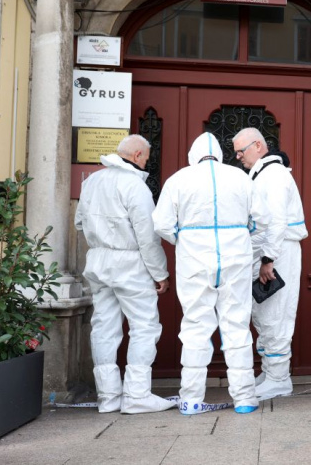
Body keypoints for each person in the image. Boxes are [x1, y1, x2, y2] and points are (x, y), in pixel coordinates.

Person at [152, 132, 270, 415]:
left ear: (193, 155)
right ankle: (244, 399)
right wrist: (243, 236)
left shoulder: (179, 179)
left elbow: (161, 224)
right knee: (237, 326)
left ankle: (191, 400)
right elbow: (262, 220)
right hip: (235, 259)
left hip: (194, 260)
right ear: (219, 153)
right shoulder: (240, 178)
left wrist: (182, 238)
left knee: (194, 327)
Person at [74, 134, 175, 414]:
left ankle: (108, 397)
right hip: (129, 263)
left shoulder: (92, 180)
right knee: (144, 326)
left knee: (104, 327)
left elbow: (79, 222)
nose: (147, 163)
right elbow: (147, 237)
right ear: (137, 155)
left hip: (98, 260)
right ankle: (137, 395)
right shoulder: (135, 186)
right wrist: (160, 273)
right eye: (146, 158)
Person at [232, 128, 309, 399]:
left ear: (258, 146)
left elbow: (277, 222)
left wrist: (268, 259)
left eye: (242, 150)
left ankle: (279, 378)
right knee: (264, 315)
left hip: (278, 252)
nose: (238, 156)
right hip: (271, 252)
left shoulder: (274, 176)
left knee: (276, 314)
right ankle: (270, 372)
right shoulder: (263, 175)